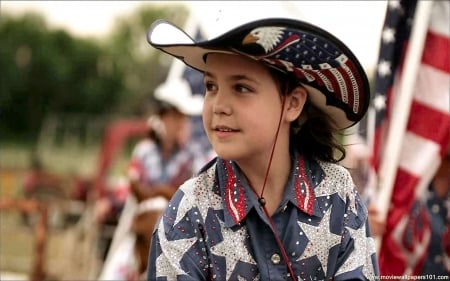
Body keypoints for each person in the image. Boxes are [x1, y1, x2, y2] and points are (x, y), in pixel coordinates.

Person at [145, 18, 380, 280]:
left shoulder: (338, 194)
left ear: (292, 103)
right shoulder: (189, 209)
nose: (219, 105)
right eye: (211, 86)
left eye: (241, 88)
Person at [127, 78, 205, 279]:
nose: (181, 122)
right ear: (164, 117)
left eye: (182, 117)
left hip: (180, 224)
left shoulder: (192, 155)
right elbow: (133, 182)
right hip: (144, 217)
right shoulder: (143, 151)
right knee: (121, 263)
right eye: (176, 116)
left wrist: (161, 192)